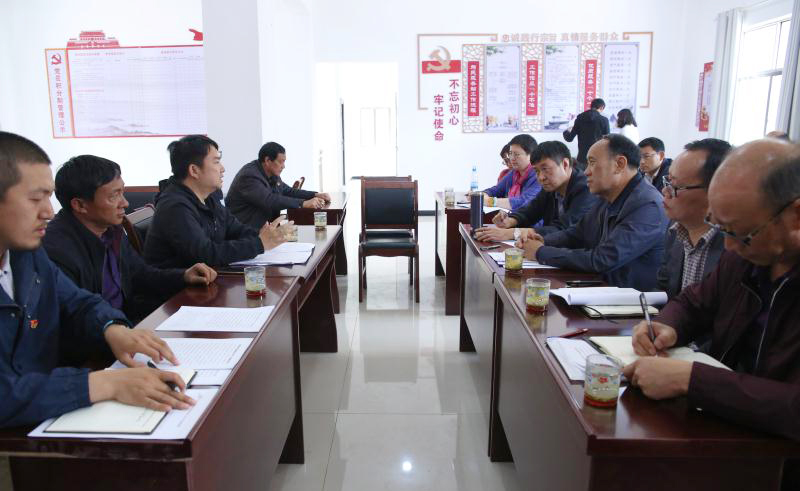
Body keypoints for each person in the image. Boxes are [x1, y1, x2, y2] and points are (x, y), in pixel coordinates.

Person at [0, 131, 193, 428]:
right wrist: (104, 383)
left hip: (47, 408)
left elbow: (77, 301)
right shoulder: (53, 246)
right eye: (35, 199)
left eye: (48, 197)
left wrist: (112, 327)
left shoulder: (27, 254)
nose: (48, 212)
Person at [623, 139, 800, 452]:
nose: (728, 246)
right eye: (719, 227)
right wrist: (668, 325)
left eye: (740, 233)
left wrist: (692, 380)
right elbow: (694, 302)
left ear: (795, 216)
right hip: (726, 429)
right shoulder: (745, 257)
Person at [43, 155, 218, 324]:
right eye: (114, 196)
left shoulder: (111, 230)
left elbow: (141, 275)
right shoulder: (57, 250)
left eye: (122, 192)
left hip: (127, 324)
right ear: (80, 205)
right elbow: (75, 317)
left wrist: (184, 276)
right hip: (102, 336)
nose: (125, 203)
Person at [518, 134, 669, 291]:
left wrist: (540, 252)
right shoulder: (608, 196)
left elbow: (602, 259)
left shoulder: (647, 205)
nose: (586, 172)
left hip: (630, 300)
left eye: (592, 163)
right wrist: (544, 240)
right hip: (601, 288)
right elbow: (577, 234)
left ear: (619, 164)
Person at [144, 135, 286, 269]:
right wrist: (259, 244)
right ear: (194, 170)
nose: (222, 169)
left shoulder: (209, 197)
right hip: (179, 285)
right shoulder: (175, 206)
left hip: (210, 277)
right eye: (216, 162)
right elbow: (205, 254)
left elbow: (235, 229)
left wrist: (263, 234)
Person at [474, 141, 597, 242]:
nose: (541, 177)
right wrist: (510, 220)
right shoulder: (550, 186)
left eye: (545, 169)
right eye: (537, 171)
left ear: (565, 164)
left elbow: (564, 229)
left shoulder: (586, 189)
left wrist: (512, 233)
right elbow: (532, 210)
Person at [656, 139, 731, 299]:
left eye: (675, 186)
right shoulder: (676, 228)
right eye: (667, 181)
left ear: (714, 190)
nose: (665, 191)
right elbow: (664, 290)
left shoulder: (734, 244)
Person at [225, 142, 330, 228]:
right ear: (267, 161)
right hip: (244, 232)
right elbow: (269, 200)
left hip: (264, 228)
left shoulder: (271, 174)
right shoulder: (249, 176)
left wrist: (315, 195)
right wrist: (303, 203)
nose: (283, 166)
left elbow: (288, 191)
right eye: (281, 162)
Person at [480, 134, 541, 211]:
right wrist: (480, 195)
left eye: (516, 154)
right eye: (510, 153)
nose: (512, 158)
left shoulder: (539, 175)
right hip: (512, 217)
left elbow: (523, 202)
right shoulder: (513, 173)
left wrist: (490, 201)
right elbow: (495, 190)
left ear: (531, 155)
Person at [562, 98, 610, 169]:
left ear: (592, 106)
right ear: (601, 107)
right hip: (597, 158)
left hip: (582, 158)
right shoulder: (604, 120)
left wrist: (566, 131)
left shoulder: (580, 118)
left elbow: (569, 138)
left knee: (582, 176)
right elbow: (607, 140)